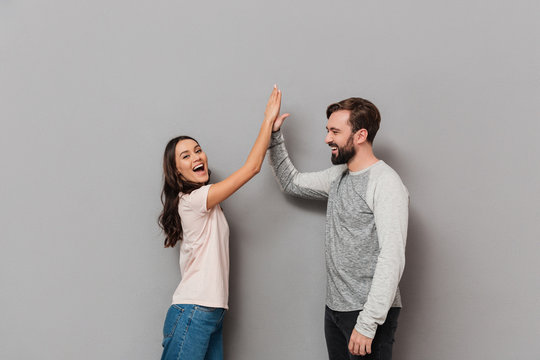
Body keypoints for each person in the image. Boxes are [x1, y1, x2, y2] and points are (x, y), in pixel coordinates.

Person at [268, 97, 409, 360]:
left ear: (360, 135)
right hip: (335, 310)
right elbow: (291, 182)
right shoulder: (338, 177)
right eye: (327, 130)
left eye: (335, 132)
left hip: (367, 314)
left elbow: (392, 257)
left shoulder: (385, 183)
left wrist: (368, 323)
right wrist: (273, 133)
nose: (327, 139)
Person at [158, 85, 285, 360]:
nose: (197, 157)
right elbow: (252, 168)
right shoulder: (193, 201)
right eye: (186, 156)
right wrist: (267, 121)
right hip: (192, 310)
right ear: (176, 171)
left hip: (211, 312)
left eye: (198, 150)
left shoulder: (207, 202)